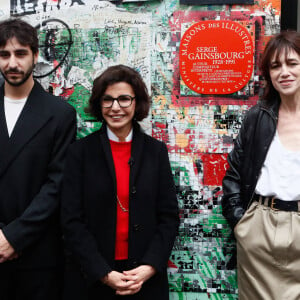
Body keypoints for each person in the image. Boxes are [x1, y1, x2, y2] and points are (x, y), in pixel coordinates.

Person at [61, 64, 179, 299]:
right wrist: (103, 273)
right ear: (99, 104)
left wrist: (150, 267)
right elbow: (71, 221)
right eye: (108, 100)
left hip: (145, 278)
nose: (115, 107)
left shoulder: (156, 152)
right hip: (93, 279)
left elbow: (168, 217)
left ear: (137, 103)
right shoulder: (80, 153)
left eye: (124, 99)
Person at [0, 18, 77, 300]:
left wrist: (14, 237)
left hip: (36, 257)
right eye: (4, 55)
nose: (12, 63)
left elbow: (57, 185)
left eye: (20, 54)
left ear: (35, 55)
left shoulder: (60, 114)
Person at [222, 30, 300, 299]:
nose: (284, 72)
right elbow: (233, 173)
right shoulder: (258, 116)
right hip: (260, 226)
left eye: (292, 63)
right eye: (276, 66)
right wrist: (240, 223)